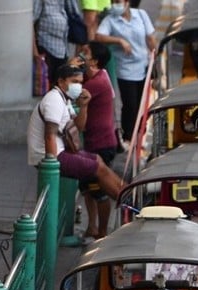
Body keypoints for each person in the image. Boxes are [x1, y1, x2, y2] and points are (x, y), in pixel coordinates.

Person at [27, 64, 124, 210]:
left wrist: (84, 106)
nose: (78, 86)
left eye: (80, 82)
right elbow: (49, 136)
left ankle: (128, 193)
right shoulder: (53, 100)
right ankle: (127, 202)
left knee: (98, 160)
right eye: (74, 82)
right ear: (60, 82)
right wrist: (52, 167)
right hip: (48, 156)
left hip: (60, 150)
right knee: (97, 168)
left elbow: (78, 127)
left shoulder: (65, 99)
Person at [95, 0, 156, 142]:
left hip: (144, 66)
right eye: (113, 1)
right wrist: (119, 41)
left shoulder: (141, 15)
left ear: (127, 2)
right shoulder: (111, 20)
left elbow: (151, 39)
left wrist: (155, 60)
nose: (116, 4)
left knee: (142, 104)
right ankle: (128, 136)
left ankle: (141, 132)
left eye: (118, 1)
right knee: (130, 104)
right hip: (125, 69)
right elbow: (99, 36)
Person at [79, 42, 118, 241]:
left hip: (101, 145)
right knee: (88, 189)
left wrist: (71, 64)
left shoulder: (96, 83)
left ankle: (102, 233)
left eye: (85, 53)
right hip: (93, 143)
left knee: (99, 191)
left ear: (94, 61)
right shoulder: (97, 76)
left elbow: (72, 92)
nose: (80, 54)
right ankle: (92, 227)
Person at [33, 0, 84, 85]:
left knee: (62, 83)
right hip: (46, 46)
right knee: (48, 83)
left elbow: (75, 17)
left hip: (63, 48)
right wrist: (35, 53)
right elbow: (31, 22)